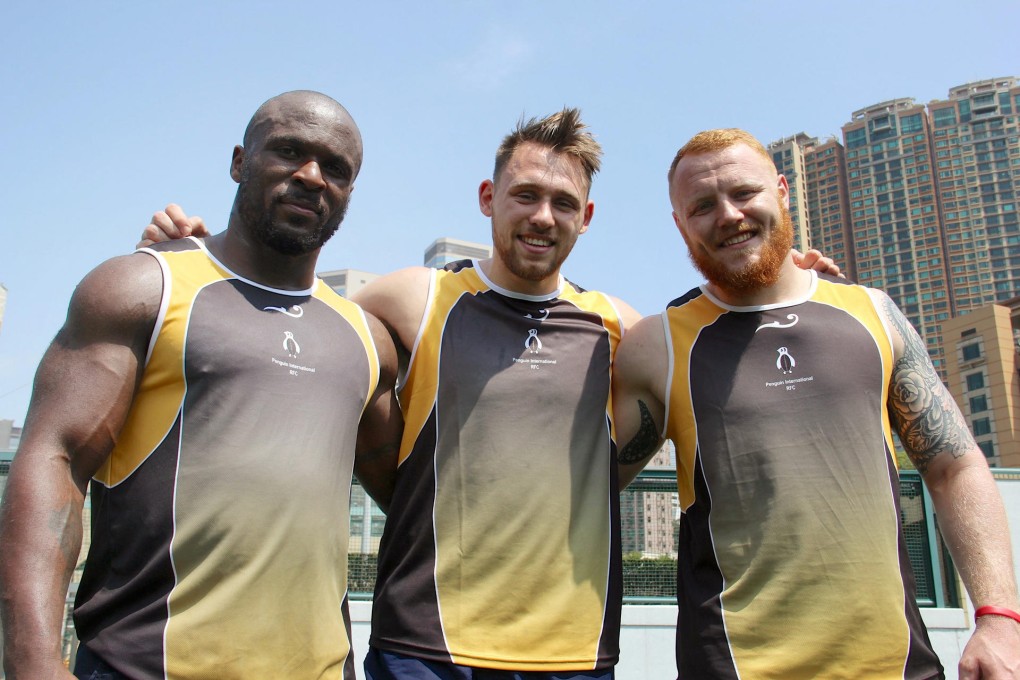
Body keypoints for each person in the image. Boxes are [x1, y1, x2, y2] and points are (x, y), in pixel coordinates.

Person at [139, 111, 842, 679]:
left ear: (587, 217)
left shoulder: (622, 329)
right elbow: (286, 320)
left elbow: (723, 344)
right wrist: (203, 252)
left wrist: (796, 284)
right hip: (423, 649)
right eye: (525, 196)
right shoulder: (416, 298)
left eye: (563, 203)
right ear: (488, 199)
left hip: (572, 653)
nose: (542, 216)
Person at [0, 90, 401, 680]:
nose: (312, 176)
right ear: (240, 162)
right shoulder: (142, 288)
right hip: (142, 666)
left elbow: (421, 498)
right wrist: (32, 660)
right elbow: (53, 461)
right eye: (289, 151)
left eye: (335, 168)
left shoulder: (366, 339)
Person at [612, 128, 1020, 679]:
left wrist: (998, 617)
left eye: (744, 193)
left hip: (896, 665)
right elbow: (582, 484)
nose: (729, 215)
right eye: (703, 206)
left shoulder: (872, 312)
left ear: (782, 189)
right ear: (680, 224)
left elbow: (953, 466)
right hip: (731, 666)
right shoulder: (656, 345)